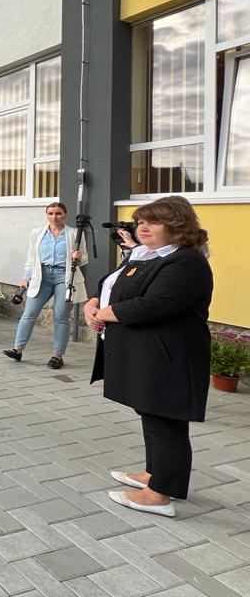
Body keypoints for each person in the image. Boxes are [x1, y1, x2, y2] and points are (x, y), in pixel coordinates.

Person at [86, 196, 213, 518]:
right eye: (140, 221)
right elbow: (114, 286)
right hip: (149, 354)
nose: (142, 228)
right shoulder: (146, 255)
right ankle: (157, 475)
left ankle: (159, 495)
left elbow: (153, 305)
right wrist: (93, 302)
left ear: (177, 225)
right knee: (153, 416)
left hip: (169, 357)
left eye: (153, 222)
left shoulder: (186, 262)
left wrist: (104, 313)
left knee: (165, 422)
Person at [3, 202, 87, 368]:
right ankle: (17, 349)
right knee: (29, 313)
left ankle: (57, 356)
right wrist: (25, 277)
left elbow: (84, 258)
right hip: (42, 276)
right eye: (50, 213)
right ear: (46, 215)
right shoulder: (37, 233)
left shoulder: (74, 234)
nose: (54, 217)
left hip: (65, 277)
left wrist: (79, 257)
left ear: (65, 215)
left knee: (60, 316)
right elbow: (31, 258)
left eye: (58, 213)